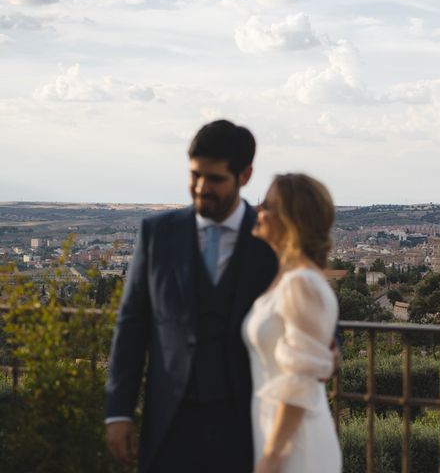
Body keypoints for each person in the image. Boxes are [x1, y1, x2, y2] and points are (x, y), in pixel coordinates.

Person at [104, 119, 278, 473]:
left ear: (244, 176)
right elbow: (132, 325)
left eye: (215, 179)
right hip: (169, 422)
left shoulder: (273, 239)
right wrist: (119, 411)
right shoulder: (157, 234)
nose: (201, 188)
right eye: (195, 175)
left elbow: (306, 309)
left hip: (247, 424)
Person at [243, 173, 342, 473]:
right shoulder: (286, 278)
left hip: (294, 443)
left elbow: (300, 380)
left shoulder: (302, 284)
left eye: (268, 205)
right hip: (275, 431)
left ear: (291, 219)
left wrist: (273, 456)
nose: (258, 209)